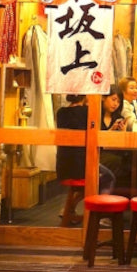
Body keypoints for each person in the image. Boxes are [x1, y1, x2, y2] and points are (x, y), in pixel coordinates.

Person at [55, 94, 87, 224]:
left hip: (63, 166)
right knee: (107, 177)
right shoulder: (87, 112)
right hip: (80, 168)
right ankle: (100, 213)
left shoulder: (61, 112)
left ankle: (68, 210)